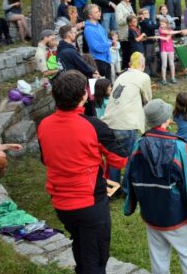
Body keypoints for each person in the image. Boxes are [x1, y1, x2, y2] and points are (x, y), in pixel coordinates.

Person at [38, 70, 128, 274]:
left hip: (61, 203)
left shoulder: (44, 125)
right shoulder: (94, 126)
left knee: (80, 245)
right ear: (84, 96)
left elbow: (45, 159)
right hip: (89, 204)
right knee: (95, 259)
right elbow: (120, 159)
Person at [122, 99, 187, 274]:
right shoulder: (180, 147)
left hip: (151, 213)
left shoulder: (138, 145)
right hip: (178, 216)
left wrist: (131, 204)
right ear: (166, 120)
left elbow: (128, 179)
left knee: (158, 259)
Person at [102, 52, 153, 182]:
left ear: (130, 64)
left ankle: (114, 184)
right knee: (131, 158)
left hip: (110, 122)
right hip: (126, 123)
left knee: (115, 157)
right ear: (142, 64)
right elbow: (148, 100)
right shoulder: (143, 77)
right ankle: (128, 186)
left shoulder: (121, 76)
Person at [83, 4, 114, 79]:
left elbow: (105, 40)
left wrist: (111, 41)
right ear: (90, 15)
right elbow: (95, 47)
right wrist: (109, 43)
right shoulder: (88, 29)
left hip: (106, 59)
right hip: (98, 61)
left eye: (99, 11)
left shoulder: (99, 26)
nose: (99, 13)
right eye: (96, 12)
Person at [159, 17, 186, 85]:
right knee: (164, 64)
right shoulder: (160, 29)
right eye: (161, 24)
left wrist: (171, 33)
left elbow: (169, 35)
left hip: (170, 48)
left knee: (171, 64)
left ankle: (173, 78)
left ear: (167, 24)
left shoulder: (170, 29)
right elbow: (169, 33)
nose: (162, 25)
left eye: (163, 24)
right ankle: (164, 79)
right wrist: (180, 31)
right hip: (163, 49)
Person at [115, 0, 135, 66]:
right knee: (126, 57)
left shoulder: (129, 5)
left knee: (131, 56)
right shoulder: (119, 7)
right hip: (125, 35)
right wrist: (129, 17)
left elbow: (132, 18)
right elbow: (119, 21)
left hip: (132, 33)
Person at [138, 8, 159, 77]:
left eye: (148, 12)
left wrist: (155, 25)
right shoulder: (143, 22)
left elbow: (154, 27)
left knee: (153, 56)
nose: (147, 14)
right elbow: (150, 27)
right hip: (147, 42)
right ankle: (147, 72)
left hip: (152, 41)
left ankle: (154, 71)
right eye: (145, 13)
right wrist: (157, 24)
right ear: (142, 15)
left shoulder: (150, 20)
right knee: (148, 57)